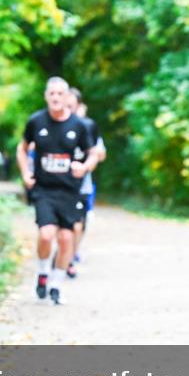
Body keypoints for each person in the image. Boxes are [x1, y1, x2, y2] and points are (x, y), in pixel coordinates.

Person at [16, 77, 98, 305]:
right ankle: (43, 272)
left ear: (66, 97)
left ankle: (56, 285)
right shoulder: (36, 122)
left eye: (60, 94)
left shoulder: (79, 126)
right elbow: (21, 149)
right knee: (46, 234)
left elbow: (93, 153)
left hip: (69, 191)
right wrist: (25, 173)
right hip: (44, 189)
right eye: (51, 93)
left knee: (65, 240)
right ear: (46, 96)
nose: (55, 98)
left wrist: (85, 167)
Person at [64, 87, 106, 277]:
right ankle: (66, 255)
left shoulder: (88, 127)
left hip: (82, 183)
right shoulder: (51, 124)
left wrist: (87, 164)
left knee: (80, 222)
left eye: (72, 105)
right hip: (57, 183)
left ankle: (71, 255)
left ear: (79, 106)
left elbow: (99, 154)